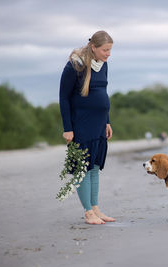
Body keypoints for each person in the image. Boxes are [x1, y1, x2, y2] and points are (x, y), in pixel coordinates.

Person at [59, 30, 115, 225]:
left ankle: (96, 207)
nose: (108, 54)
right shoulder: (75, 65)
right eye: (105, 50)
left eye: (110, 50)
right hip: (81, 123)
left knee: (95, 167)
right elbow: (64, 98)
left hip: (99, 123)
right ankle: (88, 212)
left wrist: (107, 121)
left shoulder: (103, 65)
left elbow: (102, 92)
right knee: (83, 168)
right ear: (94, 47)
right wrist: (68, 128)